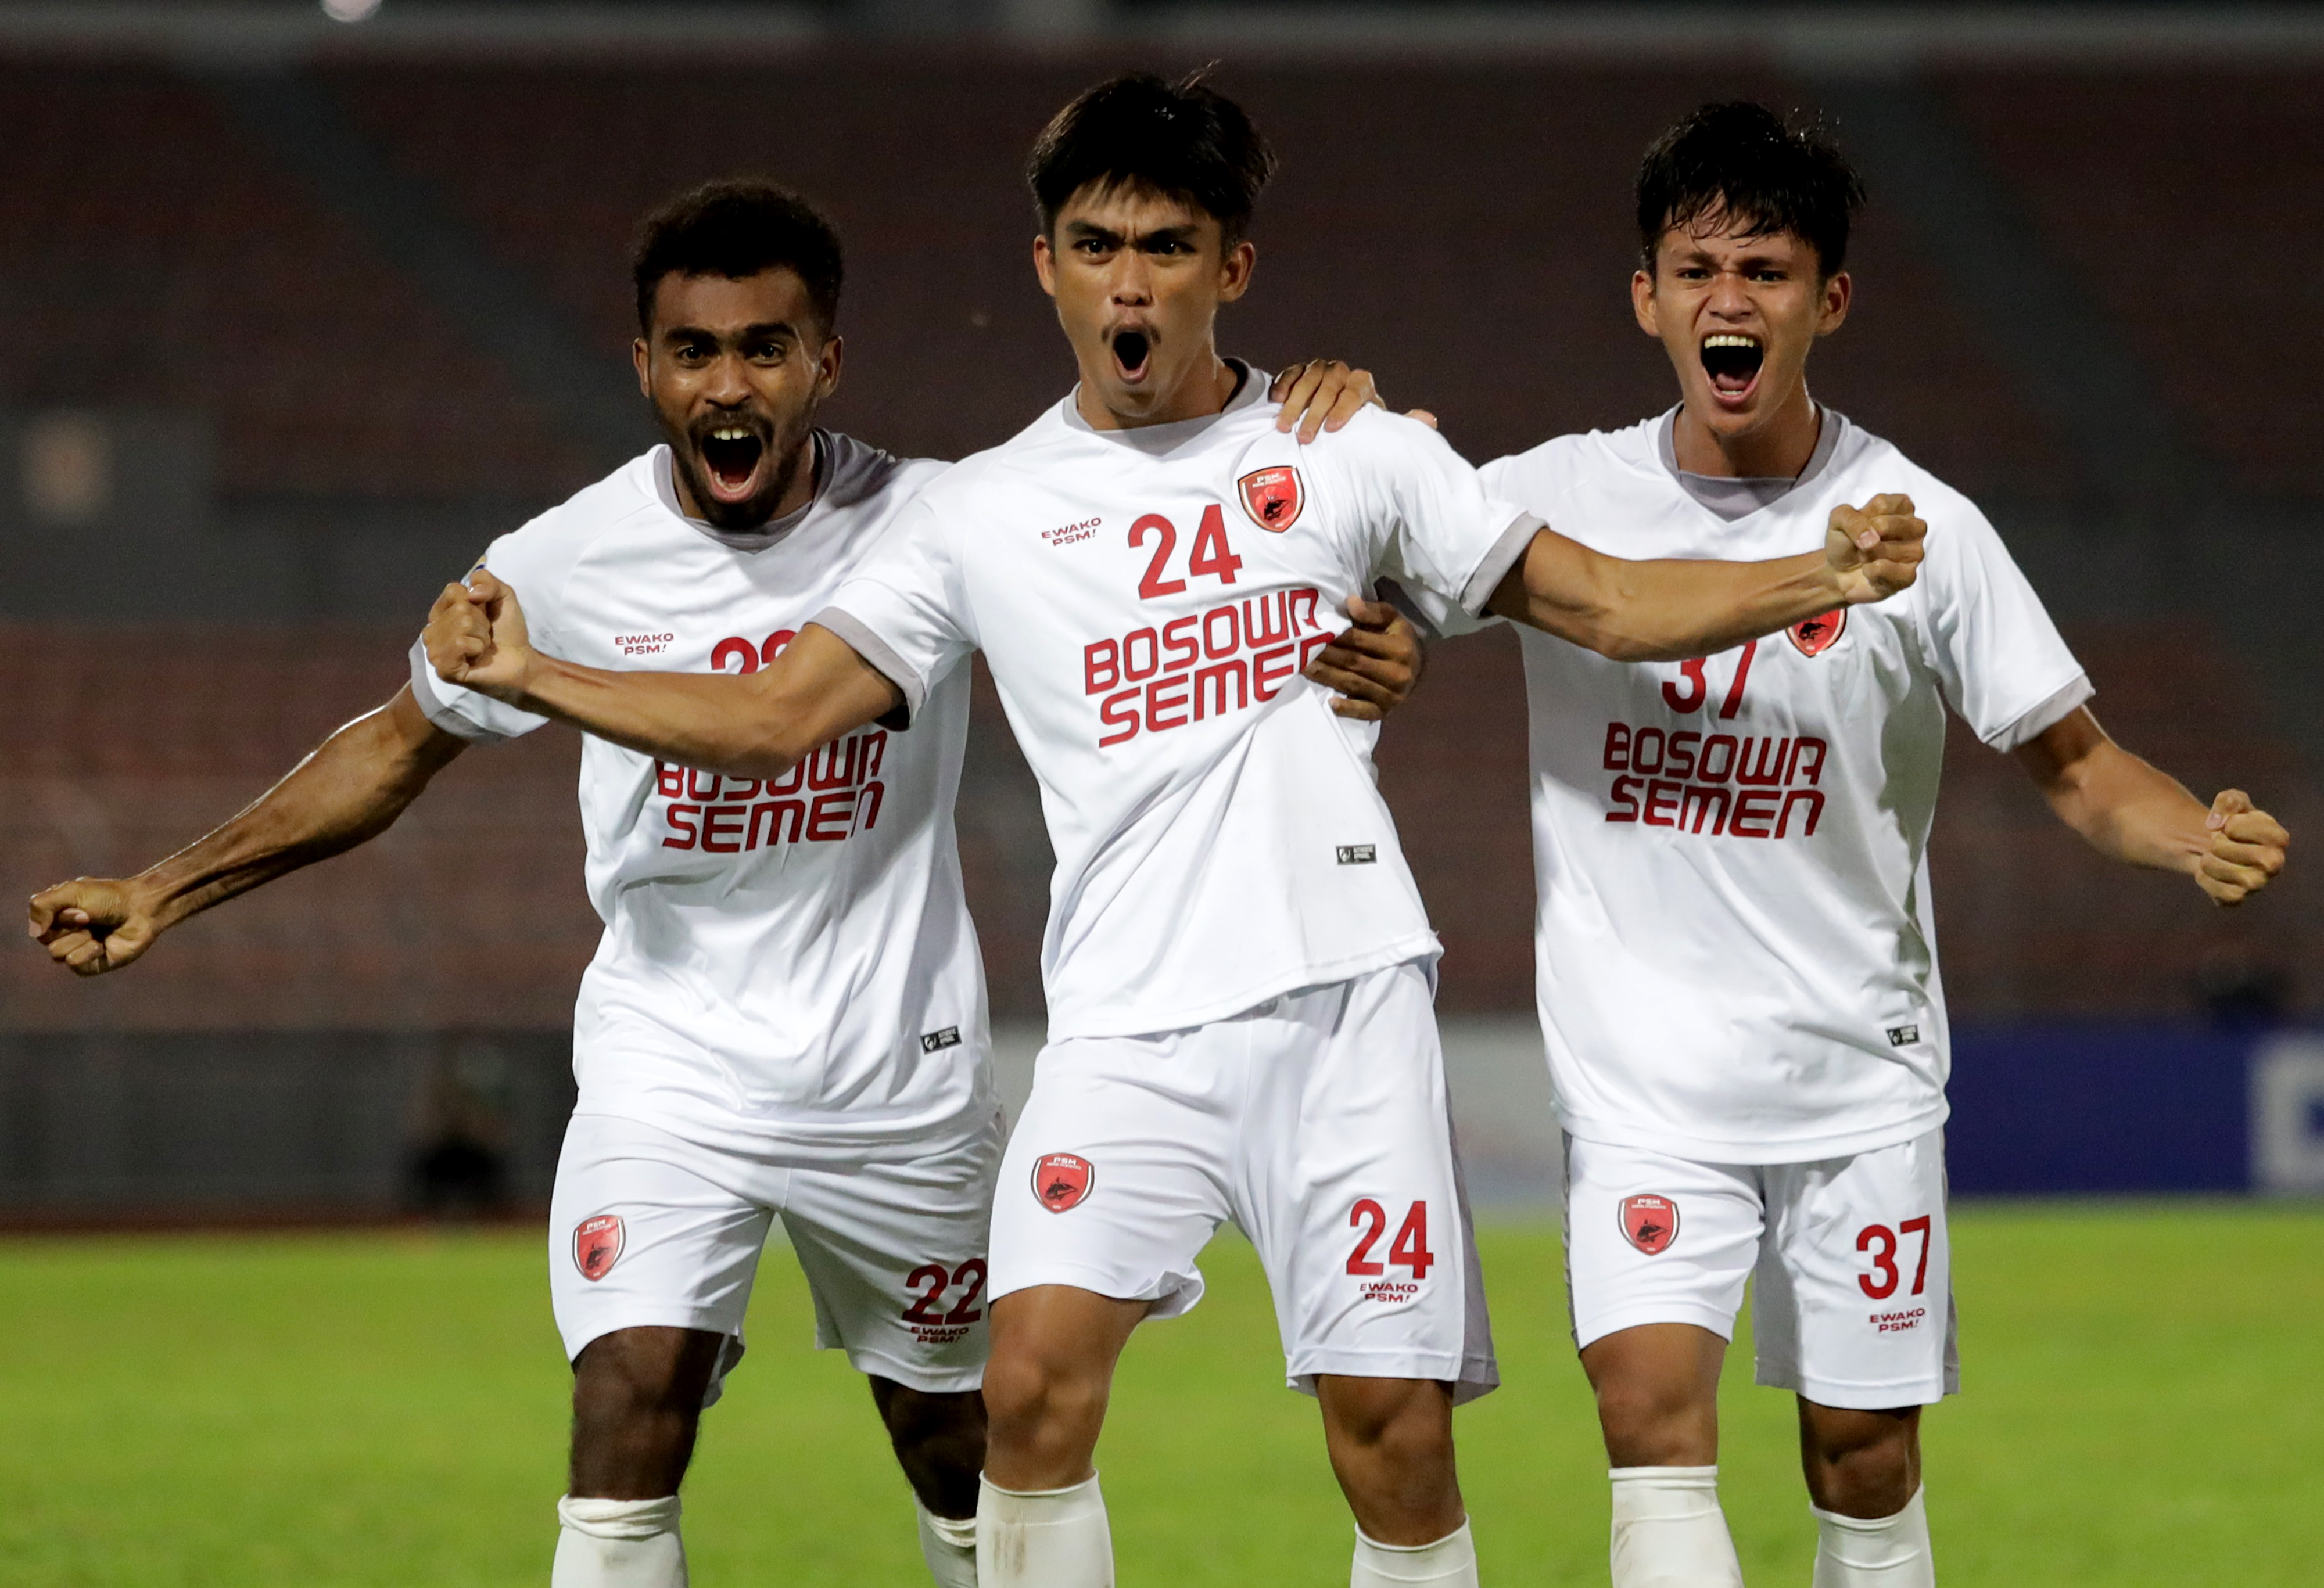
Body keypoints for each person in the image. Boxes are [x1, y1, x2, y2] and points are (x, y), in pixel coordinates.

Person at [419, 76, 1927, 1588]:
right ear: (1046, 267)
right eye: (1094, 245)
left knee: (1390, 1430)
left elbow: (1602, 598)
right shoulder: (980, 511)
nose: (1128, 282)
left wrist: (1817, 575)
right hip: (1124, 1023)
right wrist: (536, 675)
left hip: (1343, 1005)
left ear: (1234, 269)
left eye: (1166, 245)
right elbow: (776, 715)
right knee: (1026, 1384)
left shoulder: (1353, 444)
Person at [26, 179, 1419, 1588]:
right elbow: (393, 747)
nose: (729, 382)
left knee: (965, 1439)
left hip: (899, 1073)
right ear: (645, 368)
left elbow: (1177, 597)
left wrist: (1335, 494)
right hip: (670, 1060)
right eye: (694, 351)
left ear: (827, 361)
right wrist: (166, 885)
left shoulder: (945, 520)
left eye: (766, 346)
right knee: (630, 1397)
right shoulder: (560, 560)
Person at [1458, 102, 2290, 1588]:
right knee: (1650, 1418)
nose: (1729, 298)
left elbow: (2078, 765)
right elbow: (1364, 574)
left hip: (1857, 1071)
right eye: (1696, 264)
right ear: (1644, 295)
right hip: (1642, 1076)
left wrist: (2188, 836)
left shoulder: (1927, 530)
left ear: (1825, 301)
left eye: (1766, 269)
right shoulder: (1546, 497)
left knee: (1864, 1457)